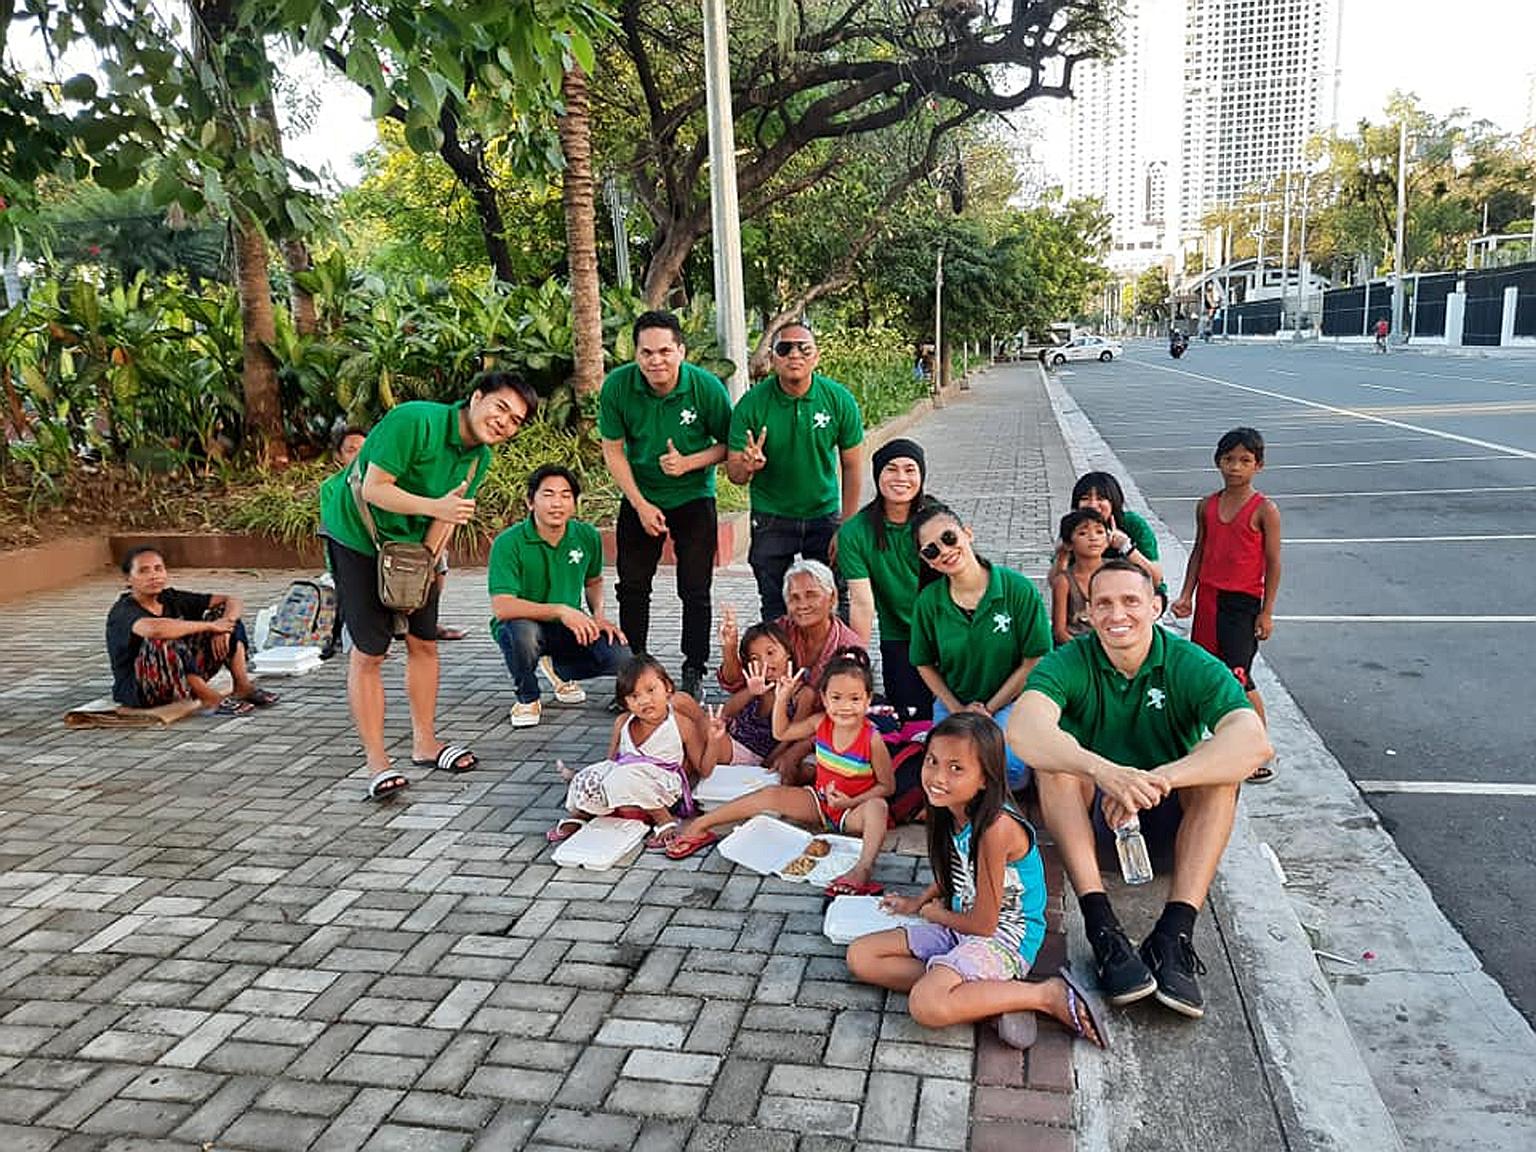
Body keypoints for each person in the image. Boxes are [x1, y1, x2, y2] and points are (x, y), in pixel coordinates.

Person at [1008, 560, 1273, 1021]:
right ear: (1087, 613)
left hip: (1172, 830)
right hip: (1095, 832)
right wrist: (1105, 772)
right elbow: (1024, 731)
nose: (1117, 614)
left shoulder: (1188, 662)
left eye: (1131, 601)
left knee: (1221, 774)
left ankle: (1174, 934)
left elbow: (1254, 743)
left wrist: (1159, 779)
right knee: (1055, 767)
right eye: (1103, 603)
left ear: (1155, 606)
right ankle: (1102, 927)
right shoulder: (1068, 662)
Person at [319, 369, 536, 799]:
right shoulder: (414, 421)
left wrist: (427, 567)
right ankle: (377, 763)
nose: (504, 422)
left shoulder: (479, 458)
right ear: (476, 398)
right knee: (371, 650)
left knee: (423, 641)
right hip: (355, 533)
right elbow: (375, 489)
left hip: (412, 545)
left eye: (515, 420)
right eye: (501, 408)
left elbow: (449, 515)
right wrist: (435, 506)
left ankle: (426, 743)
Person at [846, 713, 1105, 1052]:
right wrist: (918, 902)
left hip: (1004, 937)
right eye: (933, 762)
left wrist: (935, 915)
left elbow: (985, 924)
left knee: (926, 1005)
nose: (938, 777)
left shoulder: (996, 828)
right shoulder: (949, 809)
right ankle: (983, 998)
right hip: (962, 923)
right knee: (861, 957)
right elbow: (957, 873)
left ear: (985, 778)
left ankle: (1044, 995)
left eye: (956, 768)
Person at [666, 649, 893, 899]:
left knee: (878, 807)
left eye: (855, 699)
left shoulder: (872, 739)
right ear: (824, 699)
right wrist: (783, 697)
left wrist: (850, 802)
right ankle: (700, 825)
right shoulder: (820, 723)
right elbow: (781, 733)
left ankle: (862, 870)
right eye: (836, 698)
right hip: (819, 803)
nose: (845, 707)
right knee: (770, 794)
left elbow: (886, 786)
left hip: (853, 811)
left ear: (868, 700)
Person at [599, 310, 733, 699]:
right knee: (633, 587)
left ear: (681, 351)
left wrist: (688, 463)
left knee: (694, 588)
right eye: (646, 353)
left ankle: (694, 669)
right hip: (641, 496)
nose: (655, 361)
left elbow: (729, 445)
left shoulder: (706, 388)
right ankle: (633, 670)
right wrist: (639, 504)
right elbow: (613, 450)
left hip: (694, 498)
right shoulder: (618, 387)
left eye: (664, 351)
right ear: (635, 354)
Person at [726, 320, 864, 620]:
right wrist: (747, 467)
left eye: (804, 348)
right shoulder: (751, 404)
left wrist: (847, 527)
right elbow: (735, 474)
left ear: (816, 356)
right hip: (771, 516)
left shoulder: (838, 399)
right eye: (784, 348)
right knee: (775, 602)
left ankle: (837, 664)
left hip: (824, 514)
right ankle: (780, 663)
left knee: (833, 599)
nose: (794, 355)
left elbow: (852, 466)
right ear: (772, 357)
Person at [908, 504, 1051, 790]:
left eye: (949, 538)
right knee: (946, 771)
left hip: (1009, 700)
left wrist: (988, 709)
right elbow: (923, 663)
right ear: (927, 561)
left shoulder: (1017, 589)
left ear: (967, 533)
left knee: (1007, 768)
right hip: (954, 701)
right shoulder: (929, 601)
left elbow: (1033, 659)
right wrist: (957, 708)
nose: (944, 551)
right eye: (931, 550)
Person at [1170, 427, 1282, 782]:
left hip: (1243, 603)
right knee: (1204, 670)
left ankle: (1258, 749)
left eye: (1245, 461)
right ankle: (1217, 741)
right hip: (1209, 599)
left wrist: (1266, 611)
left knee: (1240, 676)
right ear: (1218, 461)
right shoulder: (1207, 505)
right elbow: (1200, 550)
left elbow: (1274, 562)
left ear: (1258, 466)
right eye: (1229, 459)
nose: (1235, 467)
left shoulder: (1264, 509)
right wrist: (1187, 594)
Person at [489, 465, 628, 730]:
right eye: (548, 494)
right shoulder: (508, 543)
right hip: (523, 625)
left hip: (569, 626)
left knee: (621, 656)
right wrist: (562, 610)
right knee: (522, 634)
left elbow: (594, 581)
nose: (557, 503)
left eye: (566, 495)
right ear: (530, 501)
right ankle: (527, 697)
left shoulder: (586, 536)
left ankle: (560, 668)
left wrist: (598, 616)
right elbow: (502, 607)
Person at [547, 655, 716, 851]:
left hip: (661, 786)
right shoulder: (623, 722)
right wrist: (592, 777)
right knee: (588, 777)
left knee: (624, 776)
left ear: (668, 688)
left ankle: (664, 819)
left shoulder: (680, 724)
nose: (644, 700)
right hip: (624, 779)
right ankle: (581, 814)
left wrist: (713, 740)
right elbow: (611, 762)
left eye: (651, 690)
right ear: (625, 702)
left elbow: (704, 770)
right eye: (634, 696)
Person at [717, 560, 865, 781]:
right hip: (770, 732)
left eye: (811, 594)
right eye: (794, 598)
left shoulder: (848, 648)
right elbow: (739, 683)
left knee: (801, 770)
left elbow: (846, 713)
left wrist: (796, 750)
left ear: (832, 597)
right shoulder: (781, 630)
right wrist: (729, 648)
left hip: (824, 732)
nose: (802, 604)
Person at [106, 547, 277, 716]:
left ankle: (242, 687)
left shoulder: (171, 597)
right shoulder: (122, 610)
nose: (154, 575)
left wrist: (224, 628)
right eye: (144, 571)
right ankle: (209, 699)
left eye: (158, 569)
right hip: (142, 689)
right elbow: (154, 629)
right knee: (164, 638)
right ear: (128, 579)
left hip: (179, 680)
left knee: (224, 616)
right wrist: (211, 627)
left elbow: (231, 600)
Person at [836, 437, 938, 719]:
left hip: (948, 632)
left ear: (921, 475)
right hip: (900, 638)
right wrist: (858, 663)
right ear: (877, 475)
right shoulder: (855, 532)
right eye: (891, 469)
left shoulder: (937, 520)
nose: (901, 477)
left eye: (910, 469)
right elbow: (862, 604)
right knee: (910, 722)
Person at [707, 622, 818, 774]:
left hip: (754, 755)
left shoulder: (803, 694)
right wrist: (751, 691)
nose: (764, 662)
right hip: (732, 741)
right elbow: (727, 711)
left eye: (770, 653)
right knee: (687, 709)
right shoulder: (758, 682)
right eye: (755, 658)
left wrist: (767, 764)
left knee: (696, 731)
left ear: (788, 652)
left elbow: (791, 737)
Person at [1052, 472, 1163, 602]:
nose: (1093, 505)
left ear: (1113, 501)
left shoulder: (1132, 524)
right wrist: (1063, 554)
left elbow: (1156, 579)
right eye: (1085, 498)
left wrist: (1127, 548)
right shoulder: (1073, 527)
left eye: (1100, 498)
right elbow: (1054, 582)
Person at [318, 426, 368, 659]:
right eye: (351, 450)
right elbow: (332, 528)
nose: (358, 455)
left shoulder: (381, 483)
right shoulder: (330, 487)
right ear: (339, 456)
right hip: (348, 554)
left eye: (363, 449)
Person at [1051, 509, 1110, 646]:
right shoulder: (1064, 582)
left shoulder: (1117, 573)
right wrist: (1085, 653)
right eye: (1083, 533)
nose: (1093, 537)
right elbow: (1060, 632)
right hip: (1077, 648)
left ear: (1107, 541)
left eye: (1099, 532)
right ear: (1068, 544)